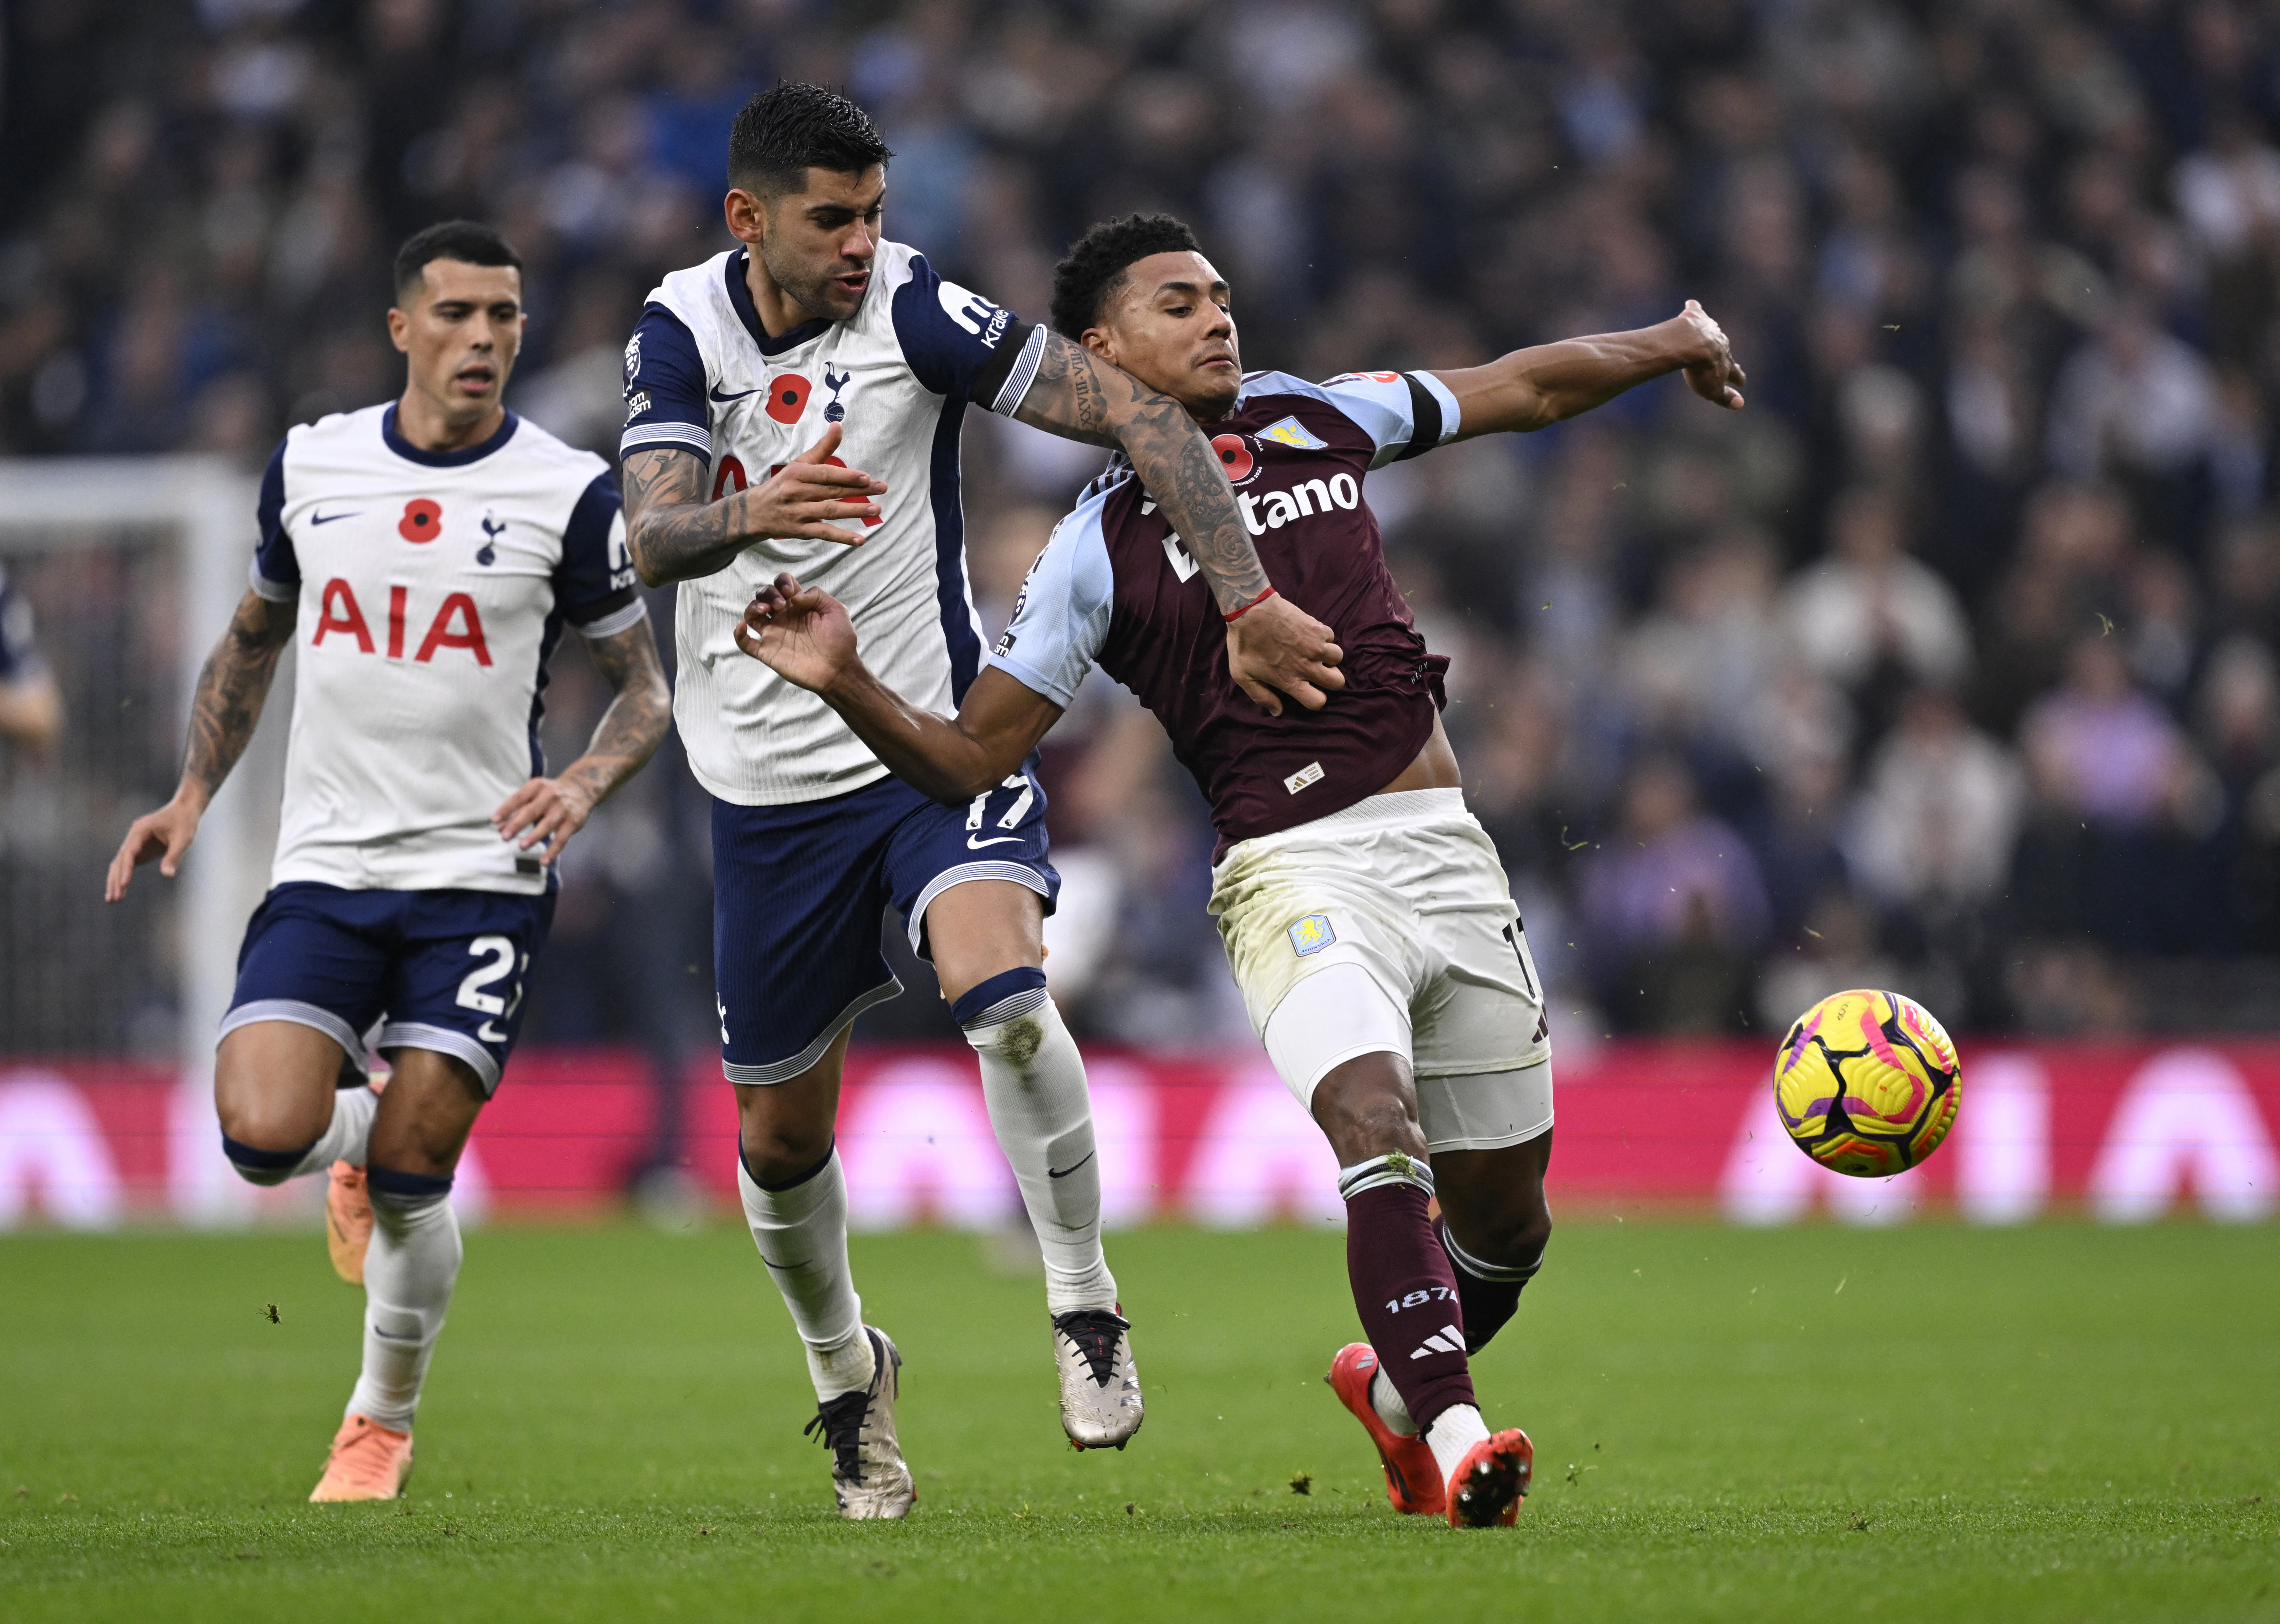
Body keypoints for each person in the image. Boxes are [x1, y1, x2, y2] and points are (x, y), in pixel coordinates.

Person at [735, 213, 1746, 1528]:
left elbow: (1522, 384)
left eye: (1219, 296)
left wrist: (1671, 340)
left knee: (1507, 1230)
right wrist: (850, 681)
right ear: (1097, 352)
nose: (1218, 318)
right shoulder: (1088, 549)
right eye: (1176, 303)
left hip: (1447, 854)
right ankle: (1452, 1437)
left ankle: (1389, 1402)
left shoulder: (1314, 413)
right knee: (1375, 1128)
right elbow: (969, 755)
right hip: (1292, 873)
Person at [616, 87, 1339, 1518]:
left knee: (1004, 991)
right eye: (833, 218)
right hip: (761, 795)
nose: (862, 242)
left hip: (921, 755)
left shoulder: (918, 309)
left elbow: (1136, 415)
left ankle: (1084, 1306)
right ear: (746, 218)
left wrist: (1248, 598)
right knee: (776, 1144)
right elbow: (654, 527)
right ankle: (848, 1376)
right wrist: (753, 511)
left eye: (876, 213)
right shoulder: (679, 330)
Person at [104, 221, 671, 1503]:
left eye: (506, 317)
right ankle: (351, 1138)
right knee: (258, 1134)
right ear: (402, 328)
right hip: (327, 866)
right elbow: (255, 637)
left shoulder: (565, 492)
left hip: (482, 878)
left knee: (419, 1177)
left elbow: (645, 690)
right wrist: (194, 789)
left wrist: (581, 779)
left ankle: (377, 1424)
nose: (484, 339)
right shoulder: (314, 465)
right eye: (459, 314)